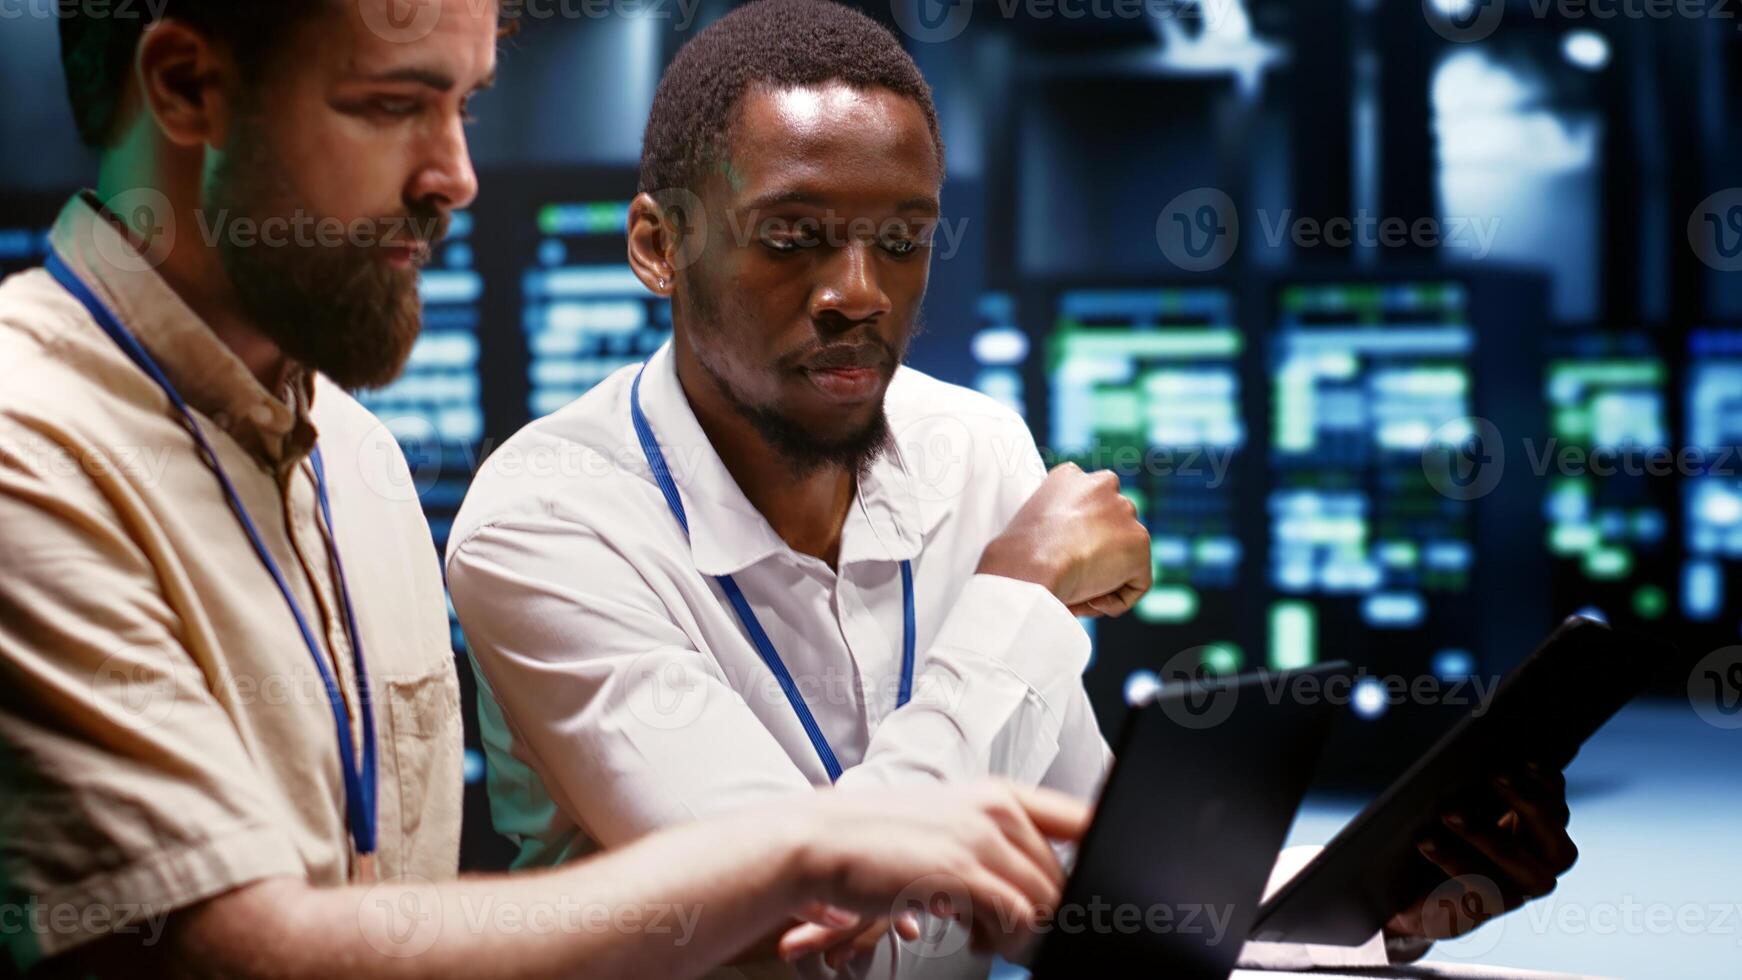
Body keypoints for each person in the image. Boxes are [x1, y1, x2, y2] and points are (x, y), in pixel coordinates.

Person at [446, 0, 1580, 976]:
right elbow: (810, 915)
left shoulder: (976, 448)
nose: (858, 292)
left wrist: (1382, 895)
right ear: (656, 243)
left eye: (901, 240)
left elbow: (1075, 889)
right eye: (793, 235)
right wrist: (1015, 596)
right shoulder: (546, 515)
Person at [0, 2, 1092, 976]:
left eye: (465, 107)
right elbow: (223, 950)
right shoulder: (28, 445)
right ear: (188, 86)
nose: (454, 176)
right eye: (392, 105)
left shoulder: (358, 458)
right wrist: (802, 846)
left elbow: (385, 910)